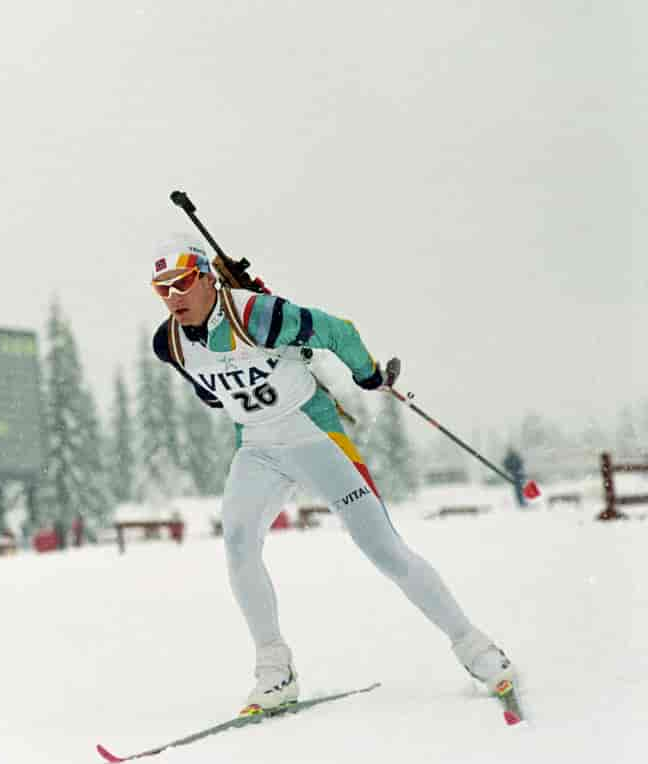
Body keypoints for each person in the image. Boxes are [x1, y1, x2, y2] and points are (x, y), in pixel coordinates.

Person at [148, 236, 515, 715]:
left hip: (314, 437)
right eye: (162, 289)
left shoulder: (258, 314)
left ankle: (477, 650)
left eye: (181, 282)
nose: (173, 296)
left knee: (384, 551)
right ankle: (274, 671)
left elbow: (338, 331)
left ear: (207, 278)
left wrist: (366, 375)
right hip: (257, 448)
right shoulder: (168, 342)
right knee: (238, 544)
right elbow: (212, 394)